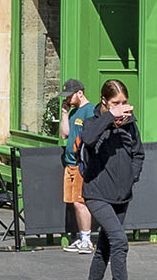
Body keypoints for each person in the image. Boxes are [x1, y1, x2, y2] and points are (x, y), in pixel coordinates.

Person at [79, 79, 143, 280]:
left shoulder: (130, 125)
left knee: (104, 248)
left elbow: (138, 154)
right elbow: (88, 138)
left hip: (122, 195)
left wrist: (131, 177)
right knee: (119, 241)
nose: (121, 107)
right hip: (97, 193)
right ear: (104, 101)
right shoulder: (93, 122)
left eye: (124, 102)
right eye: (116, 103)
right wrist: (109, 117)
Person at [60, 79, 97, 254]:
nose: (67, 99)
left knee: (80, 202)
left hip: (80, 163)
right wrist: (65, 114)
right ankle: (83, 237)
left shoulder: (90, 111)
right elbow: (64, 134)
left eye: (69, 96)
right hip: (70, 164)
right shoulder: (75, 111)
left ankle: (86, 240)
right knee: (75, 201)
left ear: (80, 93)